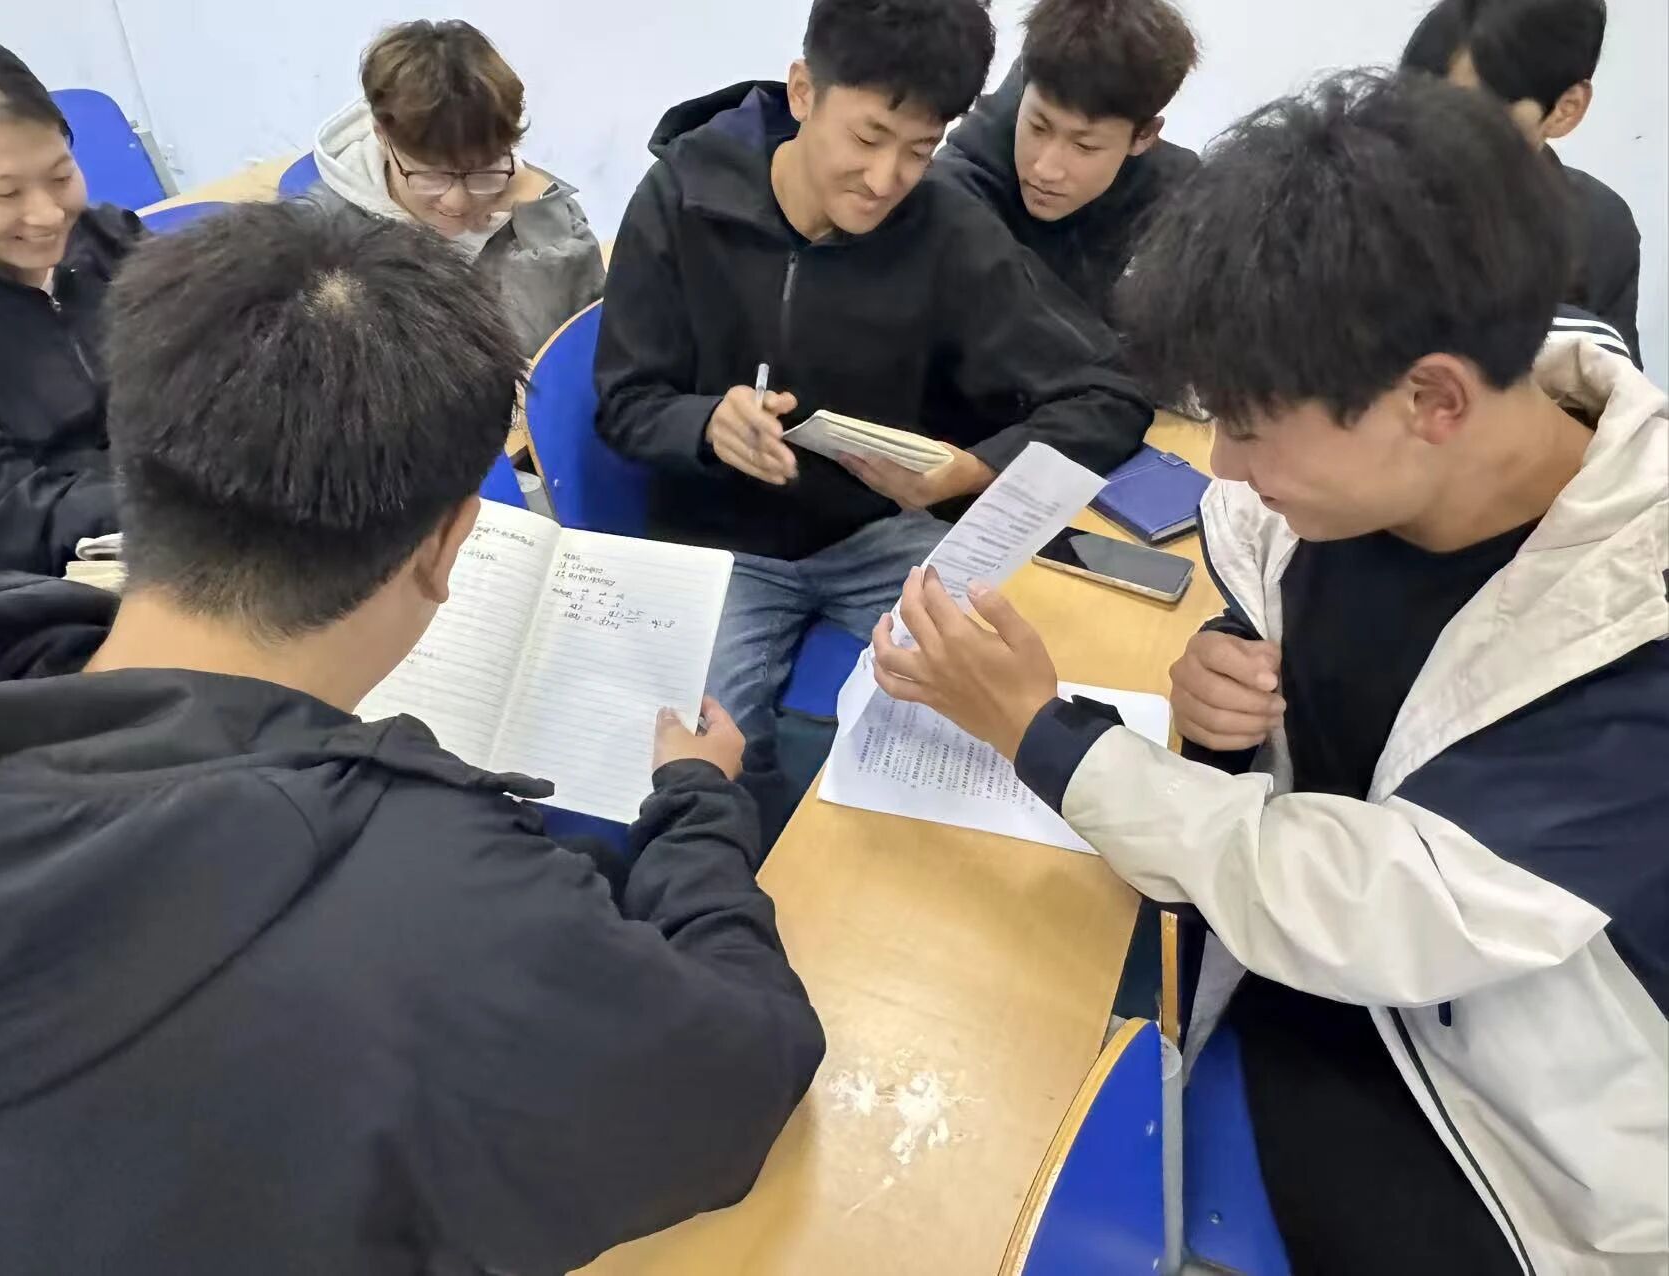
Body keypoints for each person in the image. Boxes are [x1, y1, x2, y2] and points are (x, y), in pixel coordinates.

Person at [867, 71, 1667, 1274]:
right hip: (1278, 978)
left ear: (1432, 399)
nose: (1225, 471)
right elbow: (1312, 711)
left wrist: (1042, 732)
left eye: (1247, 426)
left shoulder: (1634, 638)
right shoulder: (1332, 489)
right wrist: (1218, 701)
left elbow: (1376, 907)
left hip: (1503, 1147)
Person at [0, 204, 824, 1275]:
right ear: (449, 543)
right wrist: (697, 807)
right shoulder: (451, 917)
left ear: (134, 457)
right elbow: (744, 1069)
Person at [595, 0, 1154, 827]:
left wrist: (971, 469)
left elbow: (1109, 393)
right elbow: (626, 404)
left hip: (878, 533)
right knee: (702, 778)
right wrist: (707, 425)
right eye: (868, 138)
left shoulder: (945, 225)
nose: (887, 179)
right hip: (719, 547)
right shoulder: (683, 198)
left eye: (920, 149)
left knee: (1016, 715)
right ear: (802, 92)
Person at [307, 18, 603, 356]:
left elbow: (559, 350)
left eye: (482, 171)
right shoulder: (324, 227)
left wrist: (538, 222)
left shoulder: (543, 212)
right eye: (431, 176)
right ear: (382, 136)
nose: (457, 201)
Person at [0, 32, 135, 576]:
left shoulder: (113, 243)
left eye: (61, 176)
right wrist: (188, 506)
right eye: (6, 194)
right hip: (54, 586)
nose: (47, 214)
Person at [1403, 0, 1642, 365]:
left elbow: (1612, 391)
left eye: (1473, 113)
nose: (1434, 134)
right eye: (1416, 103)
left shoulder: (1600, 225)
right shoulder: (1351, 202)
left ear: (1566, 109)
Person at [933, 0, 1200, 326]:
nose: (1044, 170)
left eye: (1084, 146)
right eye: (1038, 127)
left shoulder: (1175, 202)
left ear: (1143, 136)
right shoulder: (952, 193)